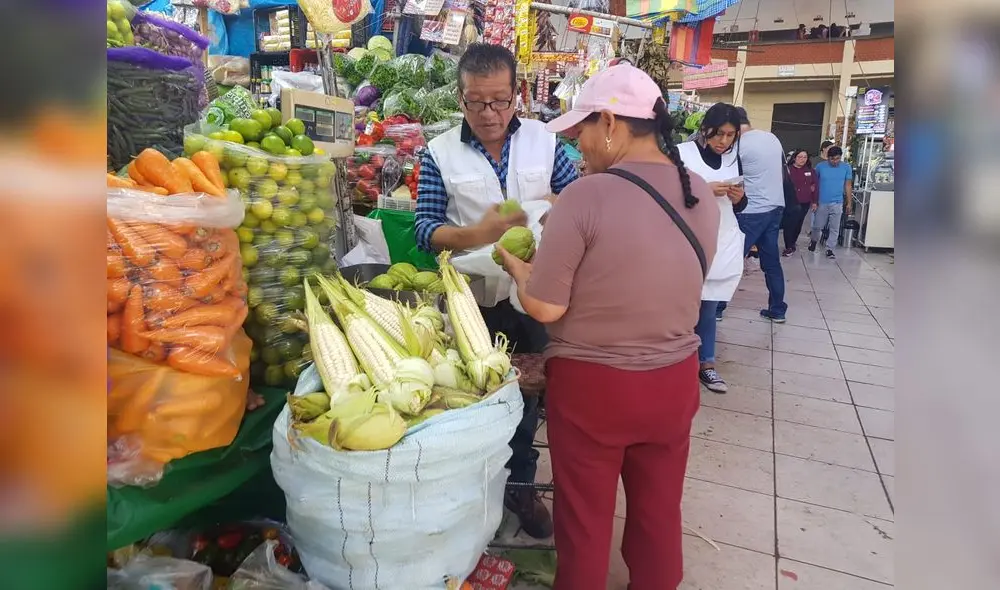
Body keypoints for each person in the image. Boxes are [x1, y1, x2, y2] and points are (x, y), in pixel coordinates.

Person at [496, 65, 718, 590]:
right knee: (659, 513)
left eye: (582, 133)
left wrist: (518, 268)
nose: (578, 148)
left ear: (612, 122)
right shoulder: (701, 195)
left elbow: (546, 308)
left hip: (596, 390)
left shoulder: (585, 197)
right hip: (673, 381)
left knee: (586, 521)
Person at [413, 43, 579, 539]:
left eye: (501, 101)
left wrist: (548, 202)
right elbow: (424, 229)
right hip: (473, 303)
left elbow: (578, 199)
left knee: (527, 399)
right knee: (471, 396)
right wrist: (477, 235)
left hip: (534, 295)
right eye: (476, 103)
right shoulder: (438, 151)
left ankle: (521, 485)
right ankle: (470, 492)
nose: (490, 114)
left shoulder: (547, 144)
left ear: (518, 94)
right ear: (460, 99)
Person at [677, 104, 746, 394]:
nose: (724, 142)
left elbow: (741, 206)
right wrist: (704, 190)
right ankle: (676, 362)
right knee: (682, 304)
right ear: (705, 130)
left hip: (722, 236)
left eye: (730, 136)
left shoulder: (733, 160)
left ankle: (706, 364)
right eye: (719, 134)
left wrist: (739, 197)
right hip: (688, 238)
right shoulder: (683, 154)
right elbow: (671, 195)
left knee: (711, 301)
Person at [717, 107, 788, 323]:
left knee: (732, 259)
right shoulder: (772, 138)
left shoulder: (739, 146)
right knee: (772, 262)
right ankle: (777, 310)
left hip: (751, 212)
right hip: (776, 207)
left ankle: (717, 307)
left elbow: (728, 178)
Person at [809, 145, 853, 258]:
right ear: (828, 158)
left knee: (835, 227)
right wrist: (813, 200)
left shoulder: (846, 167)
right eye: (832, 159)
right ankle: (814, 241)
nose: (835, 161)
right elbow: (814, 184)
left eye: (837, 158)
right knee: (818, 226)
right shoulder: (820, 167)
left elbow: (848, 185)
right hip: (822, 201)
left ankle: (830, 249)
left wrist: (849, 202)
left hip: (837, 202)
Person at [782, 149, 818, 255]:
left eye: (805, 157)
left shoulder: (810, 171)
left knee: (798, 224)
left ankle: (792, 243)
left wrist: (815, 201)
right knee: (789, 224)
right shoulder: (788, 170)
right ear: (794, 158)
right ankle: (788, 246)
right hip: (790, 202)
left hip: (804, 202)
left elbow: (815, 186)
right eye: (800, 157)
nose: (802, 159)